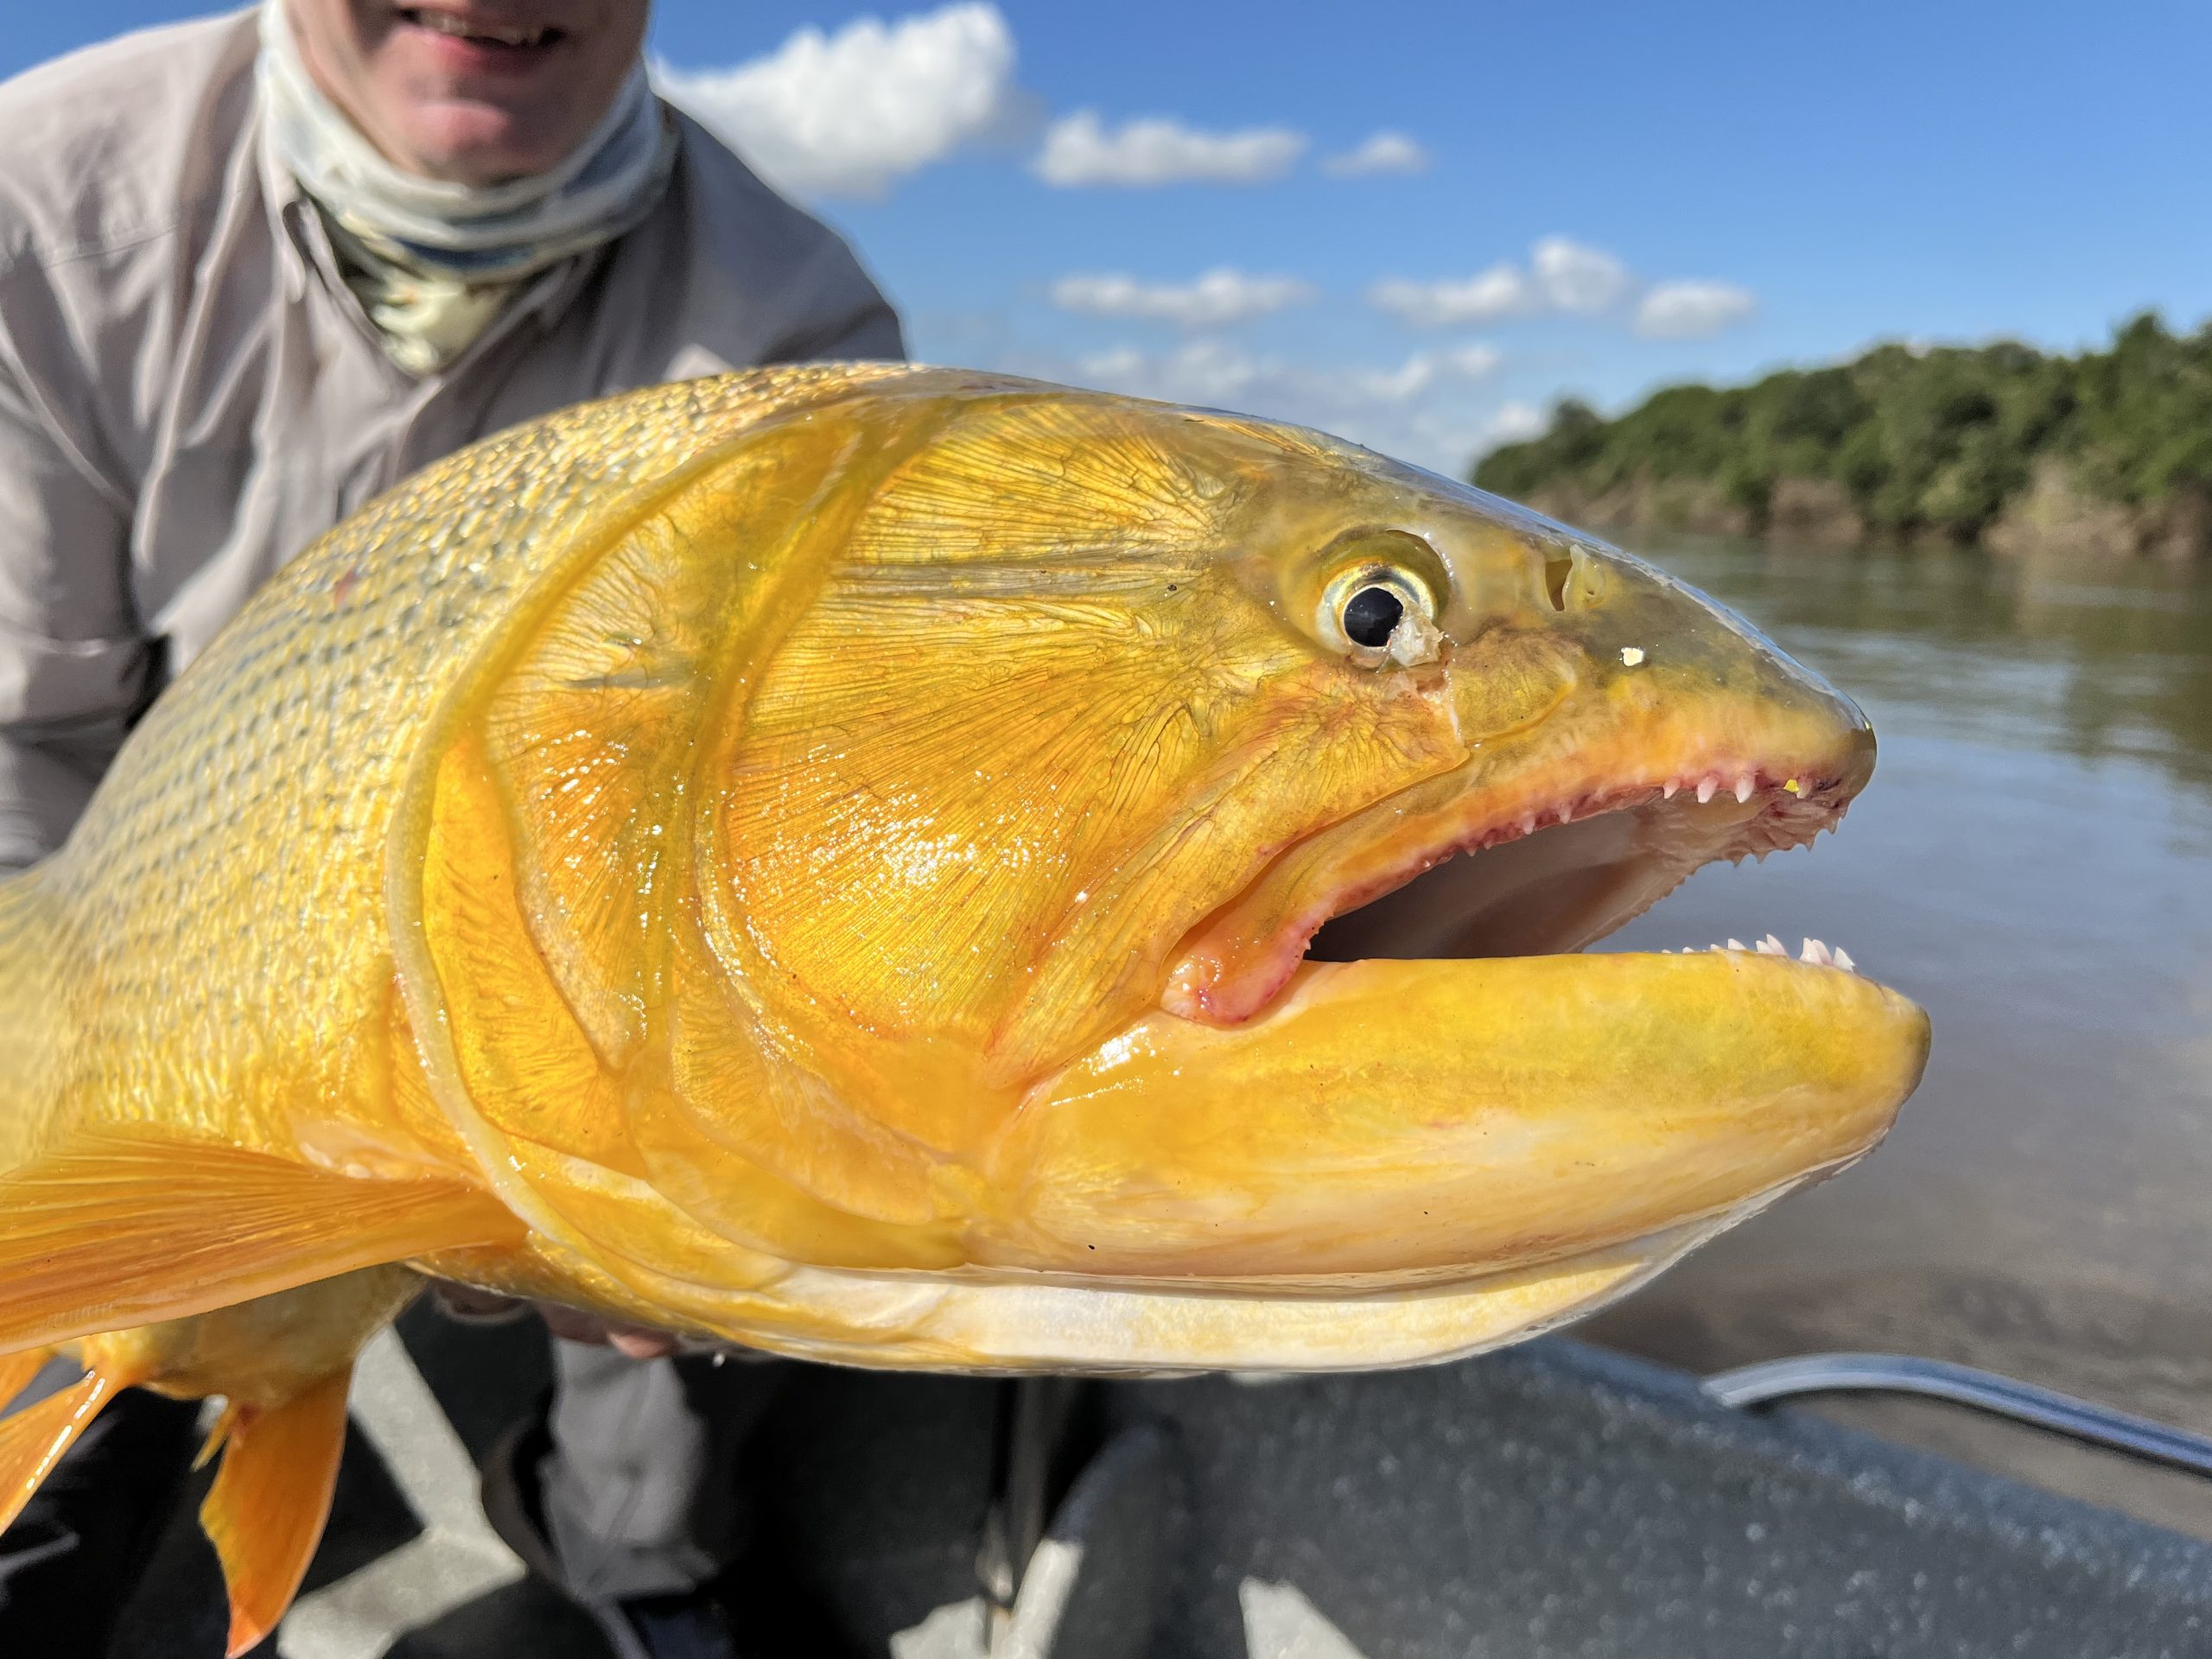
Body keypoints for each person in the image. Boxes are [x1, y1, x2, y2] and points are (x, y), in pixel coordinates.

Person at [0, 3, 902, 1655]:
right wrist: (140, 1178)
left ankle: (641, 1548)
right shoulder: (38, 204)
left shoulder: (804, 330)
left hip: (585, 953)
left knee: (711, 1152)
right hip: (124, 921)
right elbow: (14, 762)